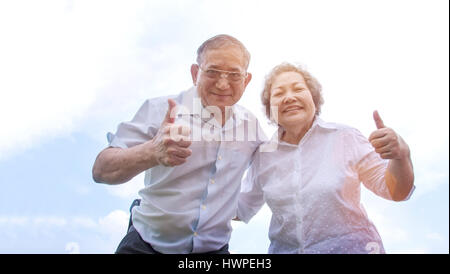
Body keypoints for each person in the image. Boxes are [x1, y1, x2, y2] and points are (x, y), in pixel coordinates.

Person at [92, 34, 266, 254]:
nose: (223, 84)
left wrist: (237, 208)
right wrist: (151, 152)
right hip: (145, 245)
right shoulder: (160, 109)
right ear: (195, 73)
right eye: (212, 72)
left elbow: (271, 169)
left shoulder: (251, 126)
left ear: (246, 80)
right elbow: (101, 170)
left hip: (213, 251)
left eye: (234, 74)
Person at [236, 62, 415, 254]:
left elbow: (396, 191)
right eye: (279, 93)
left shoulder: (344, 136)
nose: (289, 97)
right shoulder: (264, 156)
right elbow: (240, 208)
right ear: (269, 108)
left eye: (298, 89)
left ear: (313, 98)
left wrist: (401, 156)